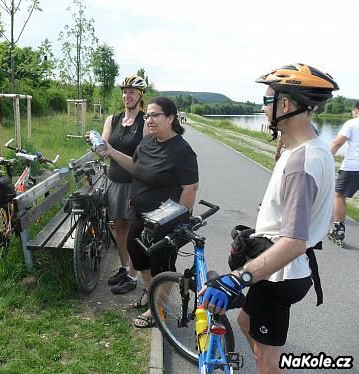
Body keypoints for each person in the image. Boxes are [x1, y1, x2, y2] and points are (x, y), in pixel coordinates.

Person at [200, 63, 338, 372]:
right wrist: (282, 142)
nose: (262, 108)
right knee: (246, 322)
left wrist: (239, 278)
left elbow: (293, 242)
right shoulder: (310, 147)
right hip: (279, 266)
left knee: (266, 358)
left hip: (282, 273)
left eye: (267, 101)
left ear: (285, 105)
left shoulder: (302, 163)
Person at [96, 96, 199, 328]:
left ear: (171, 118)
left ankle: (157, 310)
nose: (149, 120)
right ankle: (151, 291)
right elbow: (135, 166)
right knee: (138, 253)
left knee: (163, 264)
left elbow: (190, 188)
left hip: (166, 220)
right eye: (147, 115)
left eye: (155, 115)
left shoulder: (182, 150)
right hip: (141, 214)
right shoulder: (147, 142)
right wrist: (110, 151)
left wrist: (178, 222)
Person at [99, 74, 149, 294]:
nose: (126, 96)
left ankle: (133, 276)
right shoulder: (113, 119)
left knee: (134, 231)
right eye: (124, 91)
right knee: (119, 227)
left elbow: (144, 159)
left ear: (140, 95)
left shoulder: (145, 122)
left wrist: (110, 151)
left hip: (135, 183)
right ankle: (124, 267)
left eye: (131, 92)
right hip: (115, 182)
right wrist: (96, 146)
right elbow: (104, 146)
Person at [328, 101, 359, 245]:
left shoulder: (352, 123)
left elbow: (337, 143)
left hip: (352, 167)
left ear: (356, 111)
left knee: (339, 195)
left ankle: (338, 228)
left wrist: (325, 160)